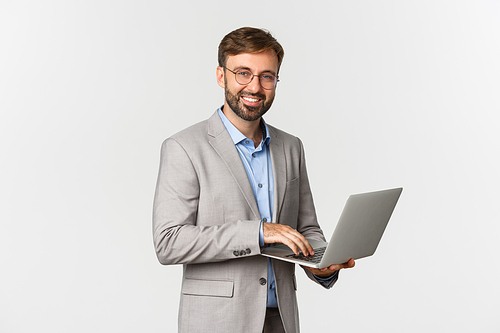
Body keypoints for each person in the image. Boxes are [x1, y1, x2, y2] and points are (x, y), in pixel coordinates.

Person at [153, 27, 355, 333]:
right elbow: (169, 243)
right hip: (218, 321)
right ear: (221, 76)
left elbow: (306, 227)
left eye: (267, 76)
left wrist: (321, 264)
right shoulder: (184, 147)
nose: (255, 86)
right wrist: (258, 233)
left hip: (281, 319)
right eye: (243, 73)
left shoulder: (291, 146)